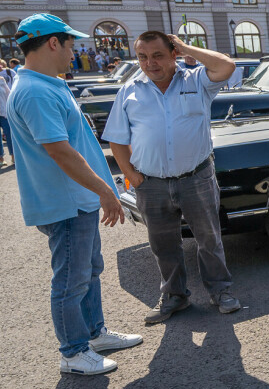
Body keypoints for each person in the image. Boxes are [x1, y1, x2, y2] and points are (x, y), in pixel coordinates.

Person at [6, 14, 142, 376]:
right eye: (70, 44)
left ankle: (94, 335)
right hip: (65, 203)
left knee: (88, 271)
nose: (75, 51)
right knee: (71, 280)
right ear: (53, 43)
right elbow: (60, 151)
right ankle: (73, 352)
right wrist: (105, 191)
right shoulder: (35, 90)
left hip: (73, 200)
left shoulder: (45, 83)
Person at [103, 30, 241, 324]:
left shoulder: (196, 80)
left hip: (196, 178)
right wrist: (131, 176)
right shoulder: (129, 91)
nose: (150, 63)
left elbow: (227, 66)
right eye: (142, 56)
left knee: (209, 239)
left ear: (173, 54)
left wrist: (184, 45)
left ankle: (220, 291)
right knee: (163, 244)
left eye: (157, 55)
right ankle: (175, 296)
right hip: (151, 184)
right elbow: (116, 139)